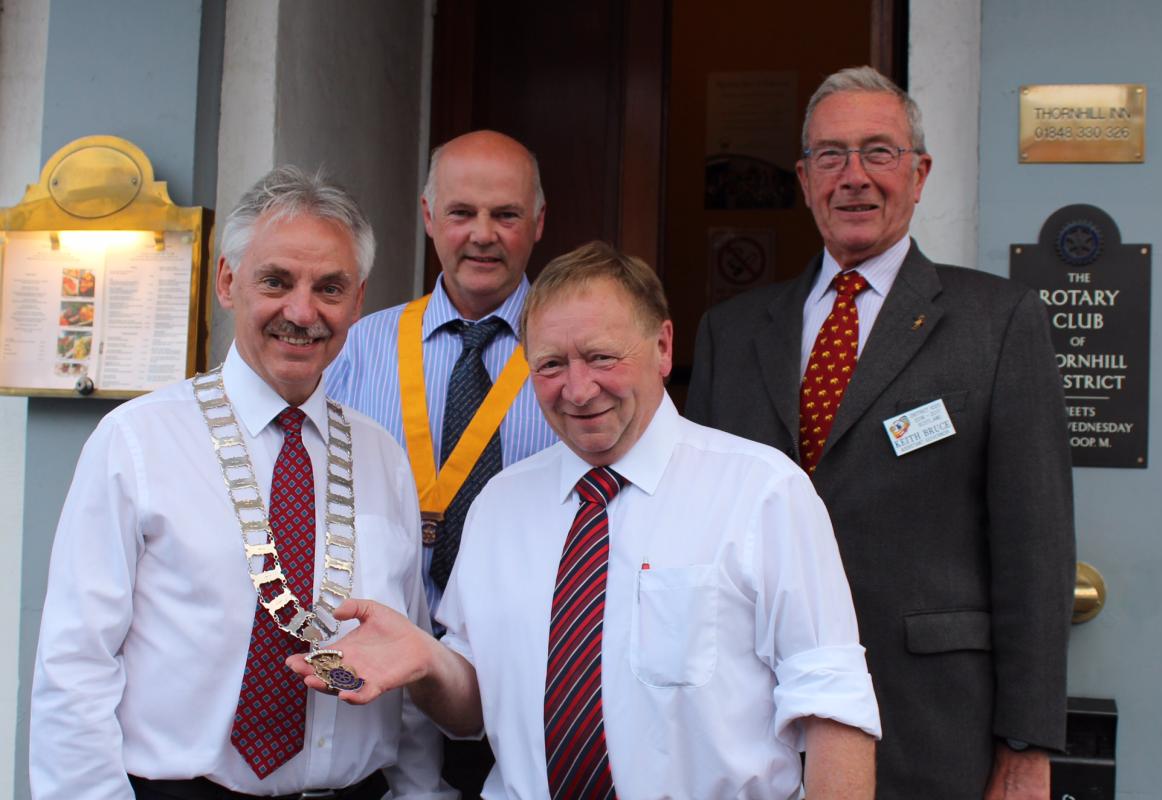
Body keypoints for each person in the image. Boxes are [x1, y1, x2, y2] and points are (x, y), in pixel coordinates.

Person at [291, 241, 882, 799]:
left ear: (662, 347)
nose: (577, 389)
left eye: (601, 357)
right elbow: (475, 709)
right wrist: (426, 662)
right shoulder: (500, 505)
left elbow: (834, 706)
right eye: (550, 365)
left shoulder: (763, 492)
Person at [686, 65, 1075, 799]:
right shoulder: (730, 333)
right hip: (750, 724)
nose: (853, 176)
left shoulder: (996, 323)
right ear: (803, 180)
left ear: (920, 173)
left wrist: (1025, 745)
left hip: (930, 727)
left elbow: (1035, 550)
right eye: (830, 155)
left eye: (878, 152)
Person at [30, 166, 452, 800]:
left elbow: (403, 650)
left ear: (358, 301)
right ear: (228, 281)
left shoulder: (381, 455)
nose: (302, 311)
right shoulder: (137, 442)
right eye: (276, 281)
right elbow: (76, 664)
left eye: (329, 288)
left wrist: (420, 791)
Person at [325, 129, 556, 798]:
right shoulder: (355, 349)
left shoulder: (574, 358)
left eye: (505, 215)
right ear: (428, 217)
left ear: (537, 223)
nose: (481, 234)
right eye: (461, 213)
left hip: (525, 685)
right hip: (378, 690)